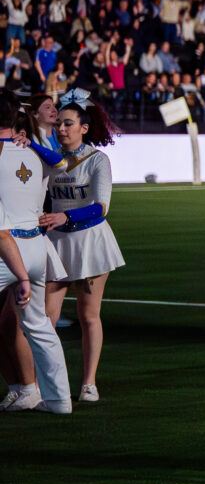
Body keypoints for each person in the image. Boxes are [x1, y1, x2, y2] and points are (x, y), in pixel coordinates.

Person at [40, 90, 123, 403]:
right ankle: (46, 381)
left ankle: (89, 383)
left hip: (90, 241)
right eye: (59, 123)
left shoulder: (97, 160)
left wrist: (65, 214)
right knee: (46, 319)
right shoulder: (50, 157)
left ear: (84, 128)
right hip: (57, 241)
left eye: (69, 123)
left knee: (89, 316)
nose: (61, 128)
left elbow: (101, 207)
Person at [0, 100, 69, 413]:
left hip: (6, 249)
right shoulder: (34, 152)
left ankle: (27, 389)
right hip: (37, 247)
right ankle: (59, 400)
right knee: (39, 326)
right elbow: (61, 164)